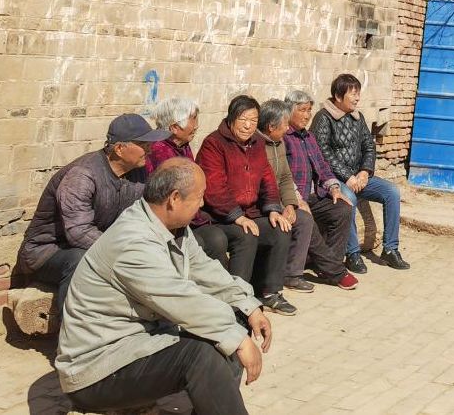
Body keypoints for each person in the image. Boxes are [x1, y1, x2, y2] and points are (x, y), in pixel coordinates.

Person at [56, 158, 272, 415]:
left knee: (234, 321)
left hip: (139, 344)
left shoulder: (173, 227)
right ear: (174, 199)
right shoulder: (133, 242)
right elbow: (180, 300)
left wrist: (248, 305)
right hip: (97, 369)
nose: (202, 204)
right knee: (202, 355)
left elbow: (204, 270)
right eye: (199, 197)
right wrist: (238, 339)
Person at [18, 113, 164, 323]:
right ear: (119, 149)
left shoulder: (138, 173)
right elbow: (78, 232)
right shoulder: (83, 175)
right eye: (143, 144)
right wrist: (124, 250)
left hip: (100, 245)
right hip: (47, 252)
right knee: (80, 260)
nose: (149, 149)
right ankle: (72, 335)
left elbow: (143, 216)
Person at [198, 95, 296, 316]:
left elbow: (267, 178)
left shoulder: (257, 143)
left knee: (280, 228)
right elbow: (214, 187)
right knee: (246, 234)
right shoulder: (214, 144)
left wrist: (273, 209)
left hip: (250, 212)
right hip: (219, 216)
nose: (248, 125)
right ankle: (237, 298)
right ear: (232, 118)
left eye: (253, 120)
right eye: (243, 119)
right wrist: (237, 216)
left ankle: (269, 292)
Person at [310, 74, 409, 273]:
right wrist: (347, 177)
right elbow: (323, 153)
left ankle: (390, 249)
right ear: (338, 96)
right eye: (353, 94)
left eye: (358, 93)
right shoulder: (323, 118)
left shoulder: (358, 117)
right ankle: (352, 253)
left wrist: (365, 171)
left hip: (359, 176)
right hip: (335, 179)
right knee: (350, 199)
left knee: (392, 192)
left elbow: (369, 146)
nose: (357, 98)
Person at [281, 89, 359, 289]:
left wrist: (334, 188)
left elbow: (323, 166)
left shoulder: (308, 137)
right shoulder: (283, 138)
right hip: (291, 199)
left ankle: (327, 265)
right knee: (306, 219)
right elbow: (282, 176)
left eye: (309, 110)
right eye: (302, 110)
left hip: (312, 196)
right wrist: (296, 200)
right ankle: (335, 271)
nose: (307, 115)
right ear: (289, 111)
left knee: (343, 208)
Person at [146, 97, 227, 265]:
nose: (196, 126)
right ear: (174, 127)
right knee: (203, 241)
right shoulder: (159, 150)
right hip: (170, 218)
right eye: (193, 119)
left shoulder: (182, 145)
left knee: (217, 238)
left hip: (189, 214)